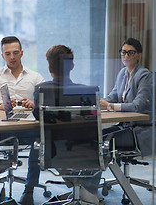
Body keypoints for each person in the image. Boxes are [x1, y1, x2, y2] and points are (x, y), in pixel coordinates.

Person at [32, 45, 103, 204]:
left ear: (49, 67)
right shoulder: (87, 92)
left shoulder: (41, 90)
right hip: (87, 151)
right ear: (72, 66)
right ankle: (86, 191)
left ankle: (83, 191)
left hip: (53, 153)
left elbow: (38, 115)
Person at [0, 36, 45, 205]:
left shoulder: (35, 77)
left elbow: (46, 103)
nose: (12, 57)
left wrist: (34, 103)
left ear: (22, 53)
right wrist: (0, 106)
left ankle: (29, 190)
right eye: (8, 53)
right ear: (2, 55)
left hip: (27, 128)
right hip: (0, 130)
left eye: (16, 53)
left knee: (40, 141)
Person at [99, 37, 156, 157]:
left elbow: (137, 106)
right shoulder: (122, 73)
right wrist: (99, 102)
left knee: (101, 141)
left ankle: (105, 173)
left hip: (141, 130)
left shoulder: (144, 75)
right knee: (97, 135)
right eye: (123, 52)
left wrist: (109, 106)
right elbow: (113, 96)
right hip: (126, 126)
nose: (126, 55)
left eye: (131, 52)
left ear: (138, 55)